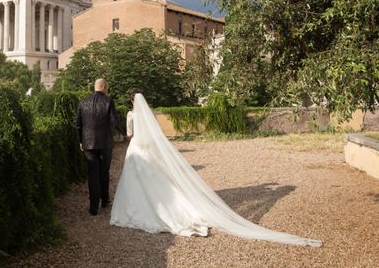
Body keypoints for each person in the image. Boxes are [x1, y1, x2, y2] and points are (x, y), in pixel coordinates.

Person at [110, 93, 322, 247]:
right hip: (149, 151)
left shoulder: (131, 115)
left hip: (137, 149)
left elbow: (130, 134)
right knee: (157, 181)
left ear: (131, 103)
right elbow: (155, 136)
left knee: (135, 180)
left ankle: (141, 206)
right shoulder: (150, 117)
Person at [76, 78, 125, 215]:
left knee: (93, 174)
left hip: (88, 144)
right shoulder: (108, 101)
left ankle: (93, 208)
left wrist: (81, 141)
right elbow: (114, 121)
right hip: (105, 143)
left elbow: (78, 124)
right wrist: (125, 134)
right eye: (107, 87)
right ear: (103, 87)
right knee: (104, 172)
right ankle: (104, 200)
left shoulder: (83, 102)